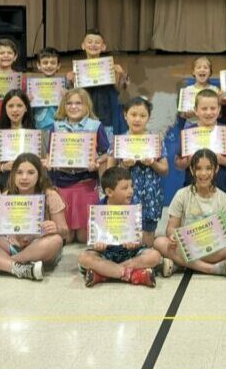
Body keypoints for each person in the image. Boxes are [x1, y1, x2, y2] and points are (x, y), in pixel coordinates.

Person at [0, 153, 67, 281]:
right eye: (19, 172)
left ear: (39, 175)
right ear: (13, 175)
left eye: (30, 172)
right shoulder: (5, 197)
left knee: (56, 240)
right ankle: (20, 268)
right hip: (10, 247)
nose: (24, 177)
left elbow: (65, 231)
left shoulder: (50, 195)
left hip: (38, 248)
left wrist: (56, 228)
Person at [154, 149, 226, 278]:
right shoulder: (182, 195)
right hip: (187, 245)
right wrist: (172, 237)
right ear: (192, 170)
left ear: (216, 169)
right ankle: (211, 268)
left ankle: (181, 263)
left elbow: (225, 231)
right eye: (198, 168)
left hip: (210, 245)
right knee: (159, 242)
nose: (203, 173)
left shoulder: (223, 198)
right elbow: (171, 228)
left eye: (208, 168)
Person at [47, 88, 111, 243]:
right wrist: (49, 161)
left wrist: (97, 163)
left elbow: (105, 153)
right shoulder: (56, 126)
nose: (73, 107)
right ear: (63, 106)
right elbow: (50, 153)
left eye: (78, 103)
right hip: (62, 182)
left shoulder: (95, 126)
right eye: (69, 103)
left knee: (84, 238)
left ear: (86, 106)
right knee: (66, 238)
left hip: (86, 183)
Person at [78, 167, 160, 287]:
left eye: (131, 186)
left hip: (130, 254)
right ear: (109, 192)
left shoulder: (134, 207)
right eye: (125, 188)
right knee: (84, 258)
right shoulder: (98, 209)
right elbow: (92, 238)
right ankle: (130, 274)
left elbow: (139, 235)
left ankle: (104, 273)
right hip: (106, 254)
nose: (131, 191)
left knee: (154, 256)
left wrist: (135, 242)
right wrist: (98, 245)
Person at [114, 96, 167, 243]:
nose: (137, 119)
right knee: (127, 236)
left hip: (151, 195)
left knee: (148, 236)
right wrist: (124, 166)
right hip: (126, 194)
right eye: (133, 114)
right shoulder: (118, 141)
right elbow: (108, 173)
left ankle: (147, 260)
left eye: (142, 115)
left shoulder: (156, 141)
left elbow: (164, 169)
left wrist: (152, 163)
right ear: (125, 115)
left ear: (149, 118)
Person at [175, 88, 226, 196]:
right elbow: (178, 163)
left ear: (219, 109)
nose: (209, 112)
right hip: (193, 188)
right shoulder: (188, 132)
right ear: (196, 110)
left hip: (221, 188)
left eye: (213, 108)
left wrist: (222, 159)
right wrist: (188, 161)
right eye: (204, 108)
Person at [67, 29, 127, 137]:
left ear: (103, 47)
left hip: (107, 118)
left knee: (107, 151)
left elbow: (119, 89)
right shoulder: (77, 71)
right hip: (85, 119)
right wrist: (71, 82)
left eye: (97, 42)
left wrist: (122, 76)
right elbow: (72, 96)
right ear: (83, 45)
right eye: (89, 42)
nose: (93, 45)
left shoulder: (110, 67)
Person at [0, 89, 37, 191]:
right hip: (6, 183)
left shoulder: (33, 134)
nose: (15, 110)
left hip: (29, 184)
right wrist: (3, 167)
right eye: (10, 106)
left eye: (19, 106)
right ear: (5, 108)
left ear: (26, 108)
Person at [31, 47, 65, 131]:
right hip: (40, 126)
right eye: (45, 63)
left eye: (53, 63)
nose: (49, 66)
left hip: (59, 125)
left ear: (58, 65)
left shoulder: (64, 85)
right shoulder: (32, 86)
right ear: (38, 65)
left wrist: (67, 96)